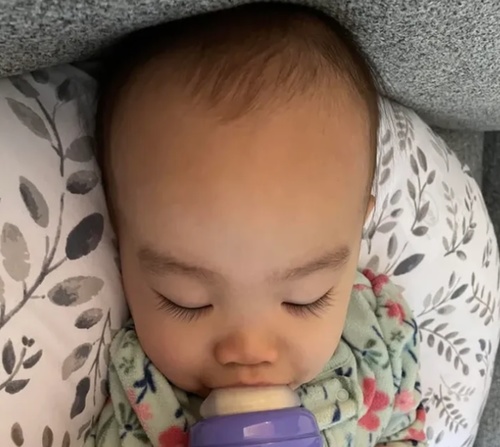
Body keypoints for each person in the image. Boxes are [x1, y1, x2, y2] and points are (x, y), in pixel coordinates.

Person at [86, 2, 427, 446]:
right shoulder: (141, 389)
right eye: (187, 301)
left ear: (356, 235)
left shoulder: (379, 337)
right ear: (121, 243)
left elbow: (406, 424)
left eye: (305, 298)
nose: (249, 352)